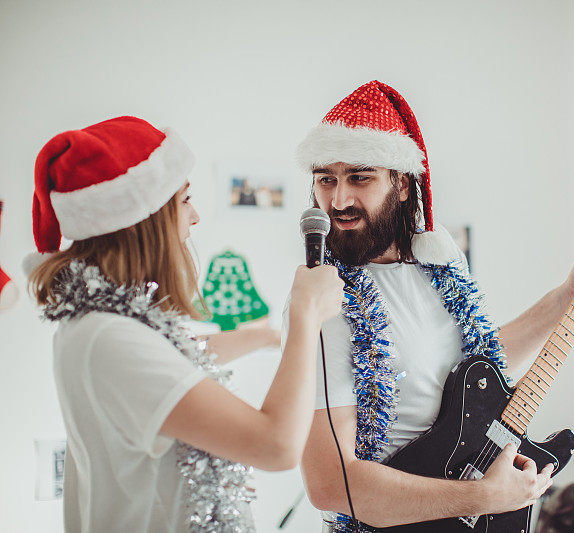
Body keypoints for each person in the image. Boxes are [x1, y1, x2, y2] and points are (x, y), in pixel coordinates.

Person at [290, 80, 574, 531]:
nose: (339, 200)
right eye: (326, 180)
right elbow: (331, 484)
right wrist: (483, 495)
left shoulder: (437, 259)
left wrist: (568, 296)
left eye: (360, 177)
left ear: (402, 184)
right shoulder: (324, 298)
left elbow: (475, 368)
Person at [26, 116, 344, 532]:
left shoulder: (101, 326)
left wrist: (267, 336)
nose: (194, 218)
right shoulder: (108, 338)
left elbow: (178, 358)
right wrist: (305, 314)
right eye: (184, 199)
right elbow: (276, 445)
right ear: (146, 219)